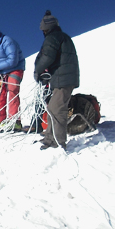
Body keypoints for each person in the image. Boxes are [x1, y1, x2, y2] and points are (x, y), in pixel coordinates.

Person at [34, 10, 80, 150]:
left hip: (63, 79)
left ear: (46, 28)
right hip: (65, 77)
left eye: (43, 29)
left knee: (57, 110)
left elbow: (47, 56)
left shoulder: (53, 38)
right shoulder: (62, 37)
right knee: (53, 107)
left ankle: (57, 141)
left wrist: (38, 71)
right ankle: (50, 136)